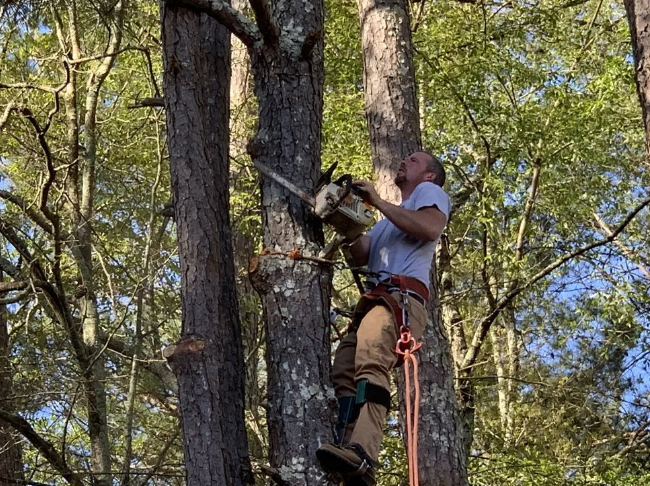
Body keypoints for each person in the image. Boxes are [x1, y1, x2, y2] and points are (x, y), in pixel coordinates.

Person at [316, 152, 451, 486]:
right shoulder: (387, 223)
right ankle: (347, 452)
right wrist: (346, 224)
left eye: (415, 161)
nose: (405, 162)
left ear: (430, 176)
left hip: (399, 299)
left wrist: (376, 200)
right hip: (377, 302)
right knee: (344, 370)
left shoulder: (430, 195)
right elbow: (363, 253)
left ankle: (363, 452)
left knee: (371, 362)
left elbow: (429, 229)